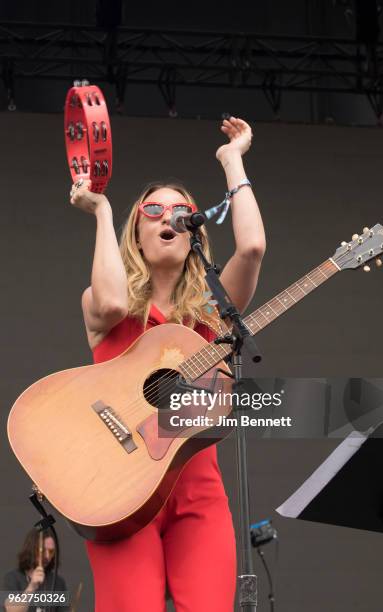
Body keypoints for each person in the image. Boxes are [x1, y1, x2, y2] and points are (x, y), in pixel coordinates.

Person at [70, 116, 266, 611]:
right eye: (153, 210)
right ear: (136, 231)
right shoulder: (105, 306)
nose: (168, 217)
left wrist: (233, 160)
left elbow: (253, 247)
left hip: (196, 496)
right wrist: (102, 211)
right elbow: (114, 303)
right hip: (121, 495)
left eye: (182, 211)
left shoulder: (210, 314)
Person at [3, 528, 68, 612]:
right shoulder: (12, 578)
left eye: (51, 551)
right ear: (31, 548)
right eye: (43, 550)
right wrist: (32, 586)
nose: (47, 556)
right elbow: (12, 610)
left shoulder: (58, 582)